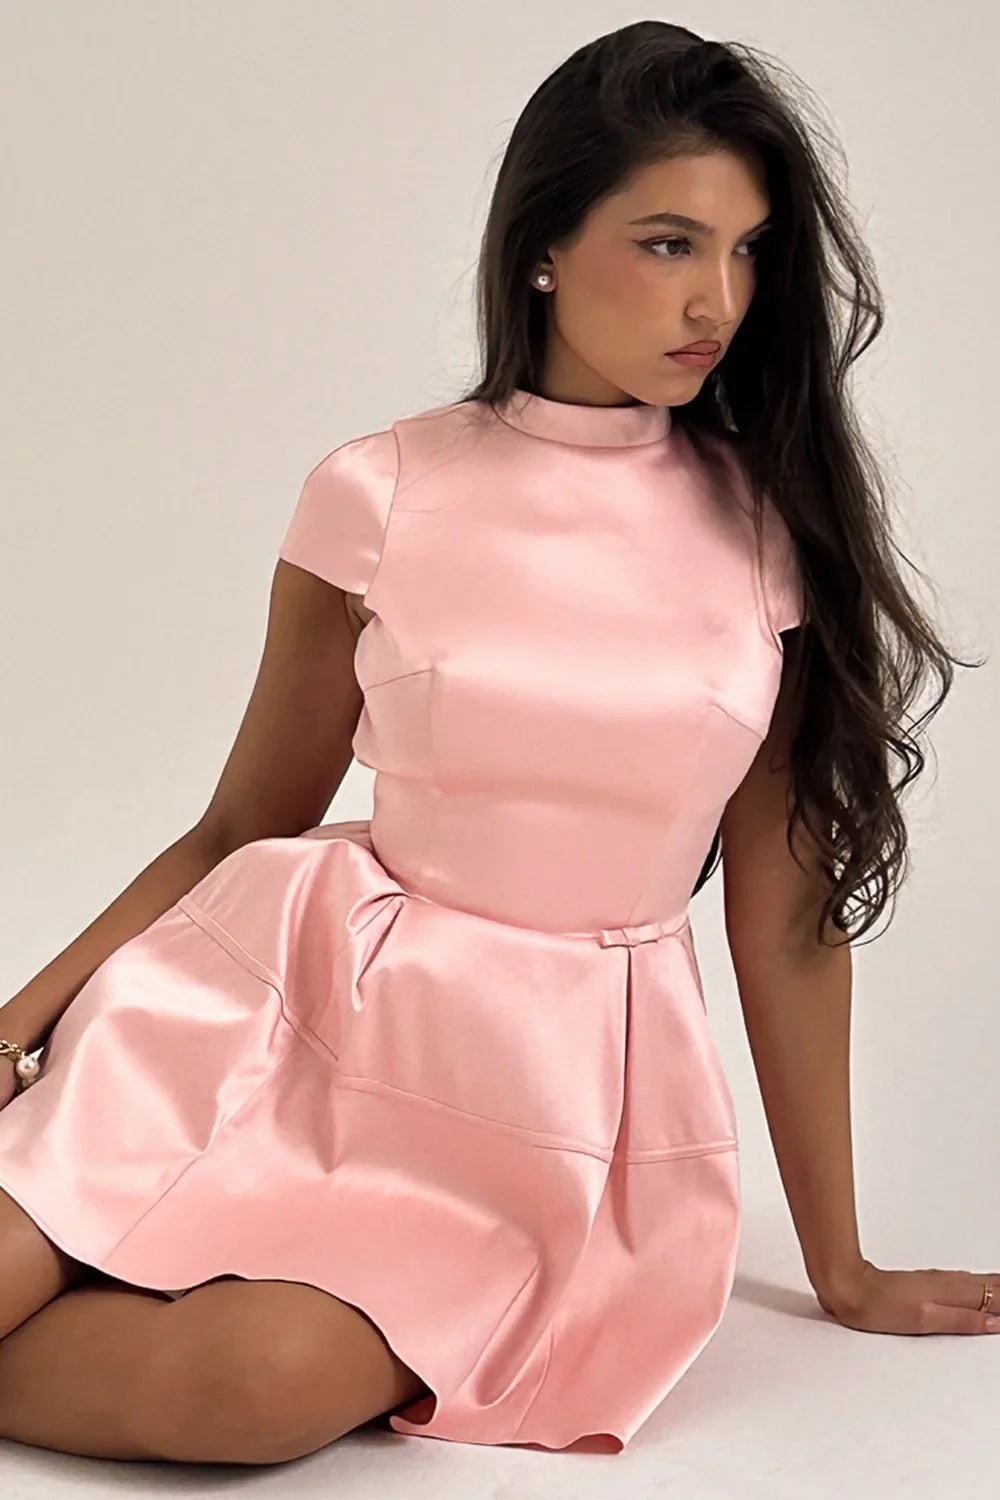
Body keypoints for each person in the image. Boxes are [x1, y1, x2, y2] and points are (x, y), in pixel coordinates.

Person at [0, 17, 994, 1471]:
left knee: (257, 1388)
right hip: (280, 1016)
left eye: (748, 251)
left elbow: (786, 919)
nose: (718, 298)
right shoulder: (379, 490)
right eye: (668, 243)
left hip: (537, 1115)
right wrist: (18, 1023)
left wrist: (842, 1266)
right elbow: (240, 827)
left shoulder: (769, 531)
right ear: (543, 247)